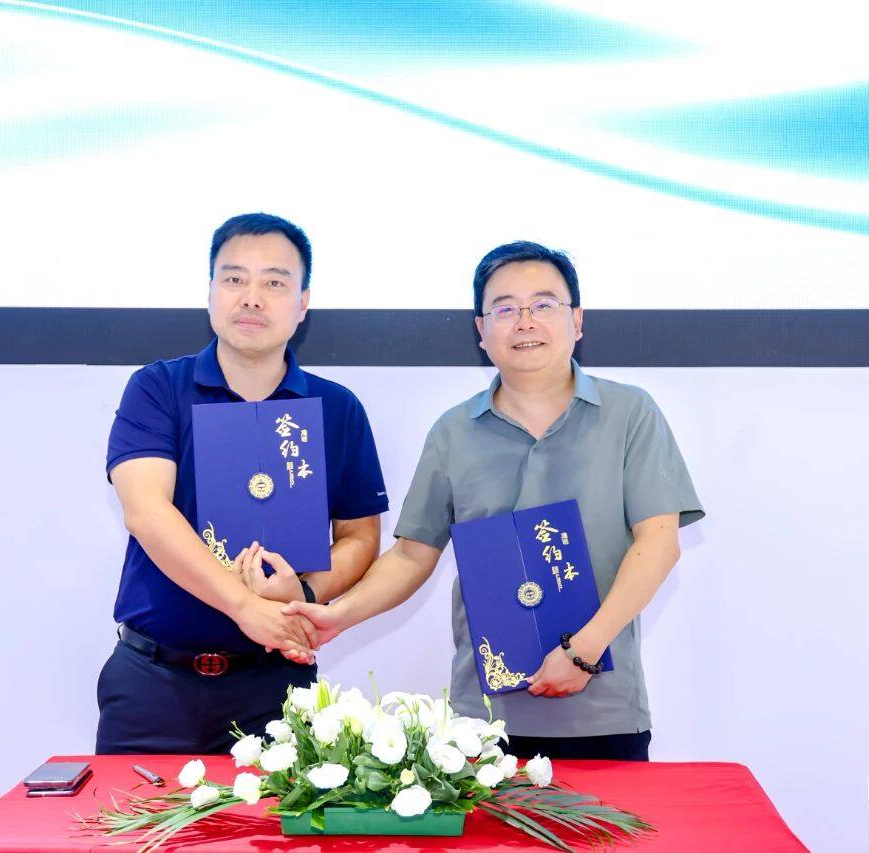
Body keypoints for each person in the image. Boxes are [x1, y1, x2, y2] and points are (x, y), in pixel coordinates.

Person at [286, 241, 703, 761]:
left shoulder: (631, 413)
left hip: (604, 712)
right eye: (505, 309)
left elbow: (659, 543)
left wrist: (583, 650)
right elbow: (413, 554)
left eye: (544, 304)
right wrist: (338, 616)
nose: (525, 322)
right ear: (481, 331)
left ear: (577, 320)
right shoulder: (453, 432)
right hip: (482, 722)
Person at [97, 213, 388, 754]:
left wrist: (303, 596)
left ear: (303, 303)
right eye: (234, 279)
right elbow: (146, 512)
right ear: (210, 292)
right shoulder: (158, 388)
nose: (251, 297)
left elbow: (359, 537)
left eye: (274, 282)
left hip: (275, 682)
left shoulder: (337, 408)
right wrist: (244, 606)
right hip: (152, 683)